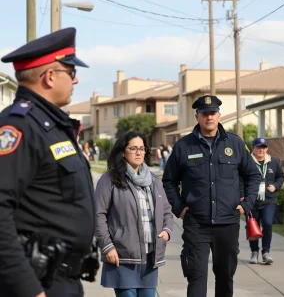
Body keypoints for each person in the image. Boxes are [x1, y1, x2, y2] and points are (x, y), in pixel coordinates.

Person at [0, 28, 98, 297]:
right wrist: (28, 288)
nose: (75, 81)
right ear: (50, 77)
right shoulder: (19, 127)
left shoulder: (51, 126)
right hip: (36, 283)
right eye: (71, 72)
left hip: (62, 279)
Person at [162, 95, 261, 297]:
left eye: (213, 113)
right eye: (204, 113)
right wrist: (179, 208)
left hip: (227, 223)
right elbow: (168, 181)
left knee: (225, 277)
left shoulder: (234, 143)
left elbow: (253, 175)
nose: (209, 117)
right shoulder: (184, 146)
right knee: (196, 276)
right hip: (196, 224)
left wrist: (247, 203)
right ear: (197, 116)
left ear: (219, 115)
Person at [95, 131, 174, 297]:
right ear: (123, 152)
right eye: (133, 148)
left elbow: (166, 210)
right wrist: (107, 246)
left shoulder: (153, 180)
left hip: (150, 259)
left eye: (142, 148)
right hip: (122, 258)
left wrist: (166, 232)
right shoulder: (109, 180)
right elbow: (98, 215)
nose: (139, 152)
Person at [249, 138, 284, 265]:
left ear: (267, 149)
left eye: (264, 147)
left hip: (269, 200)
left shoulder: (274, 161)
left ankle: (266, 252)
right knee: (253, 226)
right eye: (259, 147)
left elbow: (281, 176)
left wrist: (275, 186)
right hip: (252, 201)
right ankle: (254, 251)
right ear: (253, 148)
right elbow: (241, 179)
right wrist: (243, 196)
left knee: (267, 224)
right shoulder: (247, 162)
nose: (261, 150)